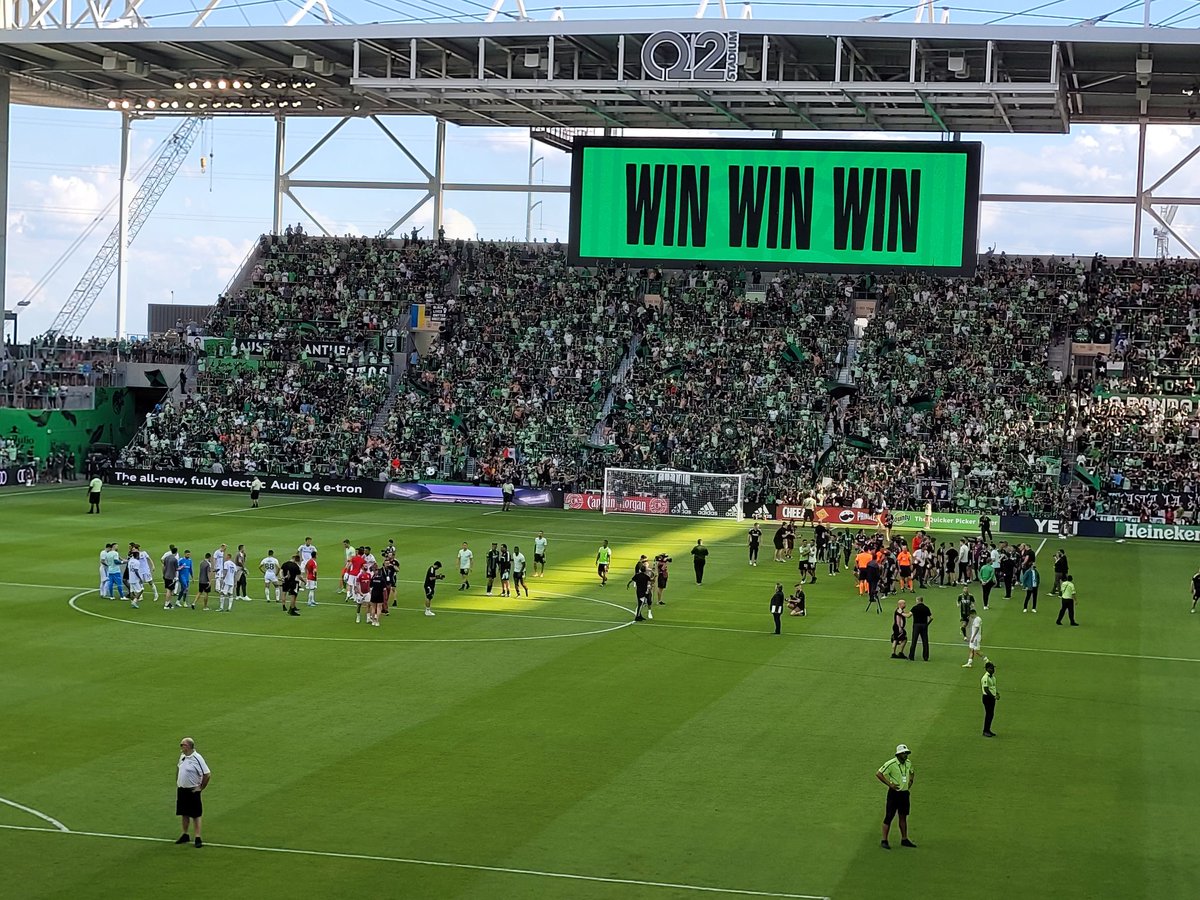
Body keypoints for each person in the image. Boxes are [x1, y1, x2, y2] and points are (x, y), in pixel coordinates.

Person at [875, 744, 916, 849]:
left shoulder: (908, 763)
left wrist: (911, 780)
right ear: (898, 754)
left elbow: (912, 772)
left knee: (903, 816)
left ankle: (904, 839)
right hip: (894, 794)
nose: (905, 755)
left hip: (904, 794)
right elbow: (879, 774)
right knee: (889, 816)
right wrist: (890, 784)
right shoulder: (891, 763)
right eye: (903, 753)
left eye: (906, 753)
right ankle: (884, 840)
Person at [175, 737, 211, 848]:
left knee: (196, 814)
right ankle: (185, 834)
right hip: (182, 789)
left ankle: (197, 837)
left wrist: (200, 787)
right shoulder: (182, 757)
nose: (181, 747)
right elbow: (179, 769)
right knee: (184, 813)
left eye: (183, 745)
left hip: (192, 790)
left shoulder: (197, 758)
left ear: (189, 746)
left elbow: (207, 774)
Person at [907, 595, 932, 661]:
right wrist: (927, 624)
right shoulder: (926, 608)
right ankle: (925, 657)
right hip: (924, 625)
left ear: (917, 600)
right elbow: (931, 617)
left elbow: (909, 615)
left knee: (914, 641)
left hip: (916, 625)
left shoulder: (914, 608)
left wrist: (902, 613)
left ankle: (911, 656)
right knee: (925, 641)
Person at [981, 661, 999, 737]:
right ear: (987, 669)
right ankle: (985, 731)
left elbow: (993, 687)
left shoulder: (993, 677)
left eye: (993, 668)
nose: (993, 670)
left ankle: (988, 730)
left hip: (992, 697)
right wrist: (993, 696)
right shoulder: (985, 677)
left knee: (991, 714)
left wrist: (997, 693)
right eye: (991, 668)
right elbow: (986, 689)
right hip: (987, 698)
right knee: (989, 714)